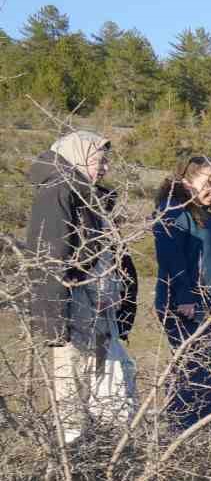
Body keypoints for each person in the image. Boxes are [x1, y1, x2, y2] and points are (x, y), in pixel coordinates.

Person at [24, 130, 137, 443]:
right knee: (73, 398)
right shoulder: (58, 192)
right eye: (99, 160)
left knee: (115, 392)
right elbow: (49, 258)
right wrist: (54, 324)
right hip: (74, 313)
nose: (105, 168)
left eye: (106, 161)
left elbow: (112, 255)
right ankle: (74, 471)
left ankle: (111, 462)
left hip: (102, 312)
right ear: (77, 157)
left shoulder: (90, 196)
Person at [153, 156, 211, 428]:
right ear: (186, 183)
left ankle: (202, 422)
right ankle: (181, 425)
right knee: (193, 367)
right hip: (188, 301)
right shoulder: (173, 211)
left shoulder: (209, 213)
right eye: (207, 183)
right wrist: (184, 297)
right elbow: (171, 257)